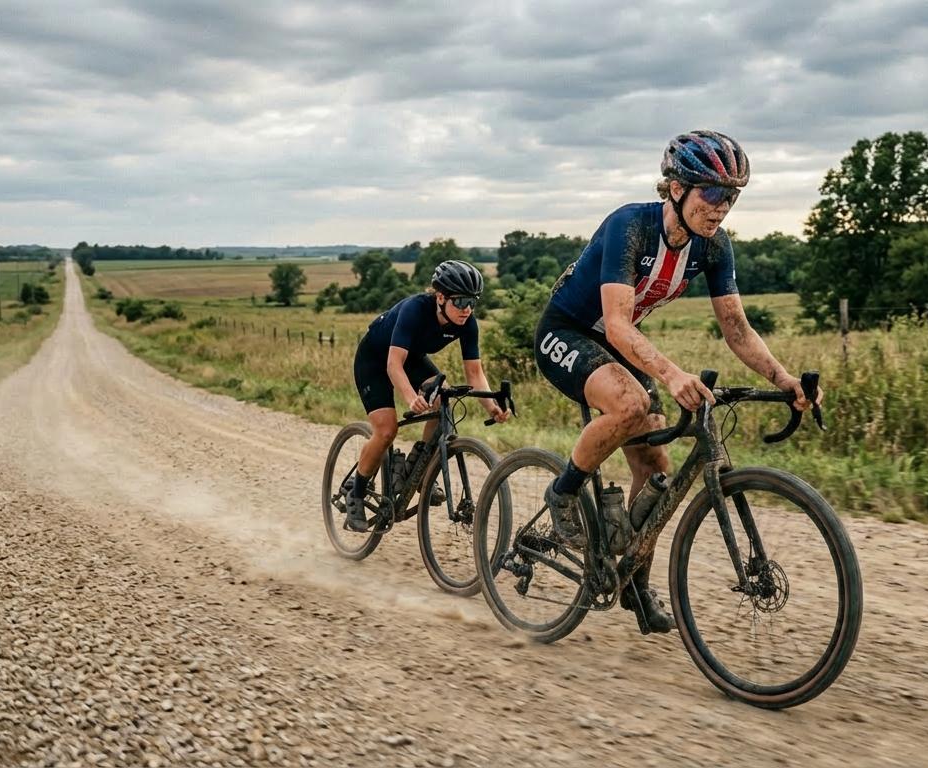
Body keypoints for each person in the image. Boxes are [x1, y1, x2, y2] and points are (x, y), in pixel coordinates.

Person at [534, 130, 821, 632]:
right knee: (630, 404)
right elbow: (617, 324)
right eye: (711, 193)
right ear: (676, 188)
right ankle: (562, 493)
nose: (721, 207)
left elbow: (736, 328)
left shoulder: (712, 247)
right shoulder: (631, 226)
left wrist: (784, 378)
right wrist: (670, 374)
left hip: (617, 342)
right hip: (569, 332)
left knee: (657, 467)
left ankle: (634, 585)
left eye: (730, 197)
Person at [345, 260, 509, 532]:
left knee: (441, 396)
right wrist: (411, 397)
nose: (466, 309)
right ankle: (357, 492)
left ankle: (418, 470)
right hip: (375, 359)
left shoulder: (467, 323)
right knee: (387, 430)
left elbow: (474, 372)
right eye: (460, 301)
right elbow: (393, 365)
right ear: (440, 297)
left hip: (412, 359)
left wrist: (491, 406)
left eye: (472, 302)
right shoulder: (415, 309)